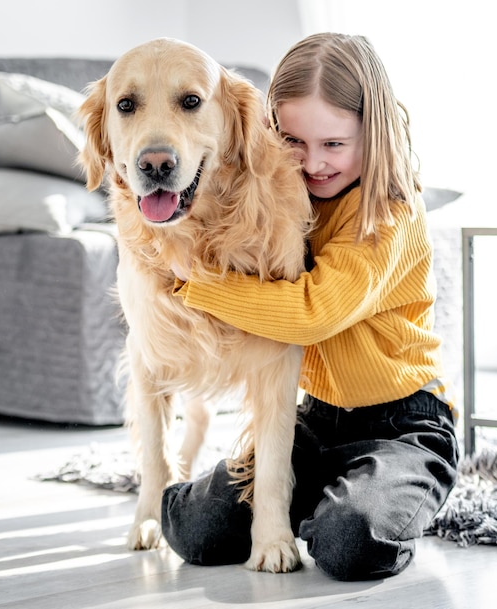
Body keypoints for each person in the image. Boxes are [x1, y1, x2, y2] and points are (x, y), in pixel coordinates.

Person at [161, 32, 459, 582]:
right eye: (293, 141)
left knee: (347, 542)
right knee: (192, 530)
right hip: (316, 421)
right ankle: (323, 494)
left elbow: (311, 312)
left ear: (375, 132)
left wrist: (194, 284)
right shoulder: (284, 198)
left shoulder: (389, 213)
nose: (314, 164)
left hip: (403, 423)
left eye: (335, 145)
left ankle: (387, 497)